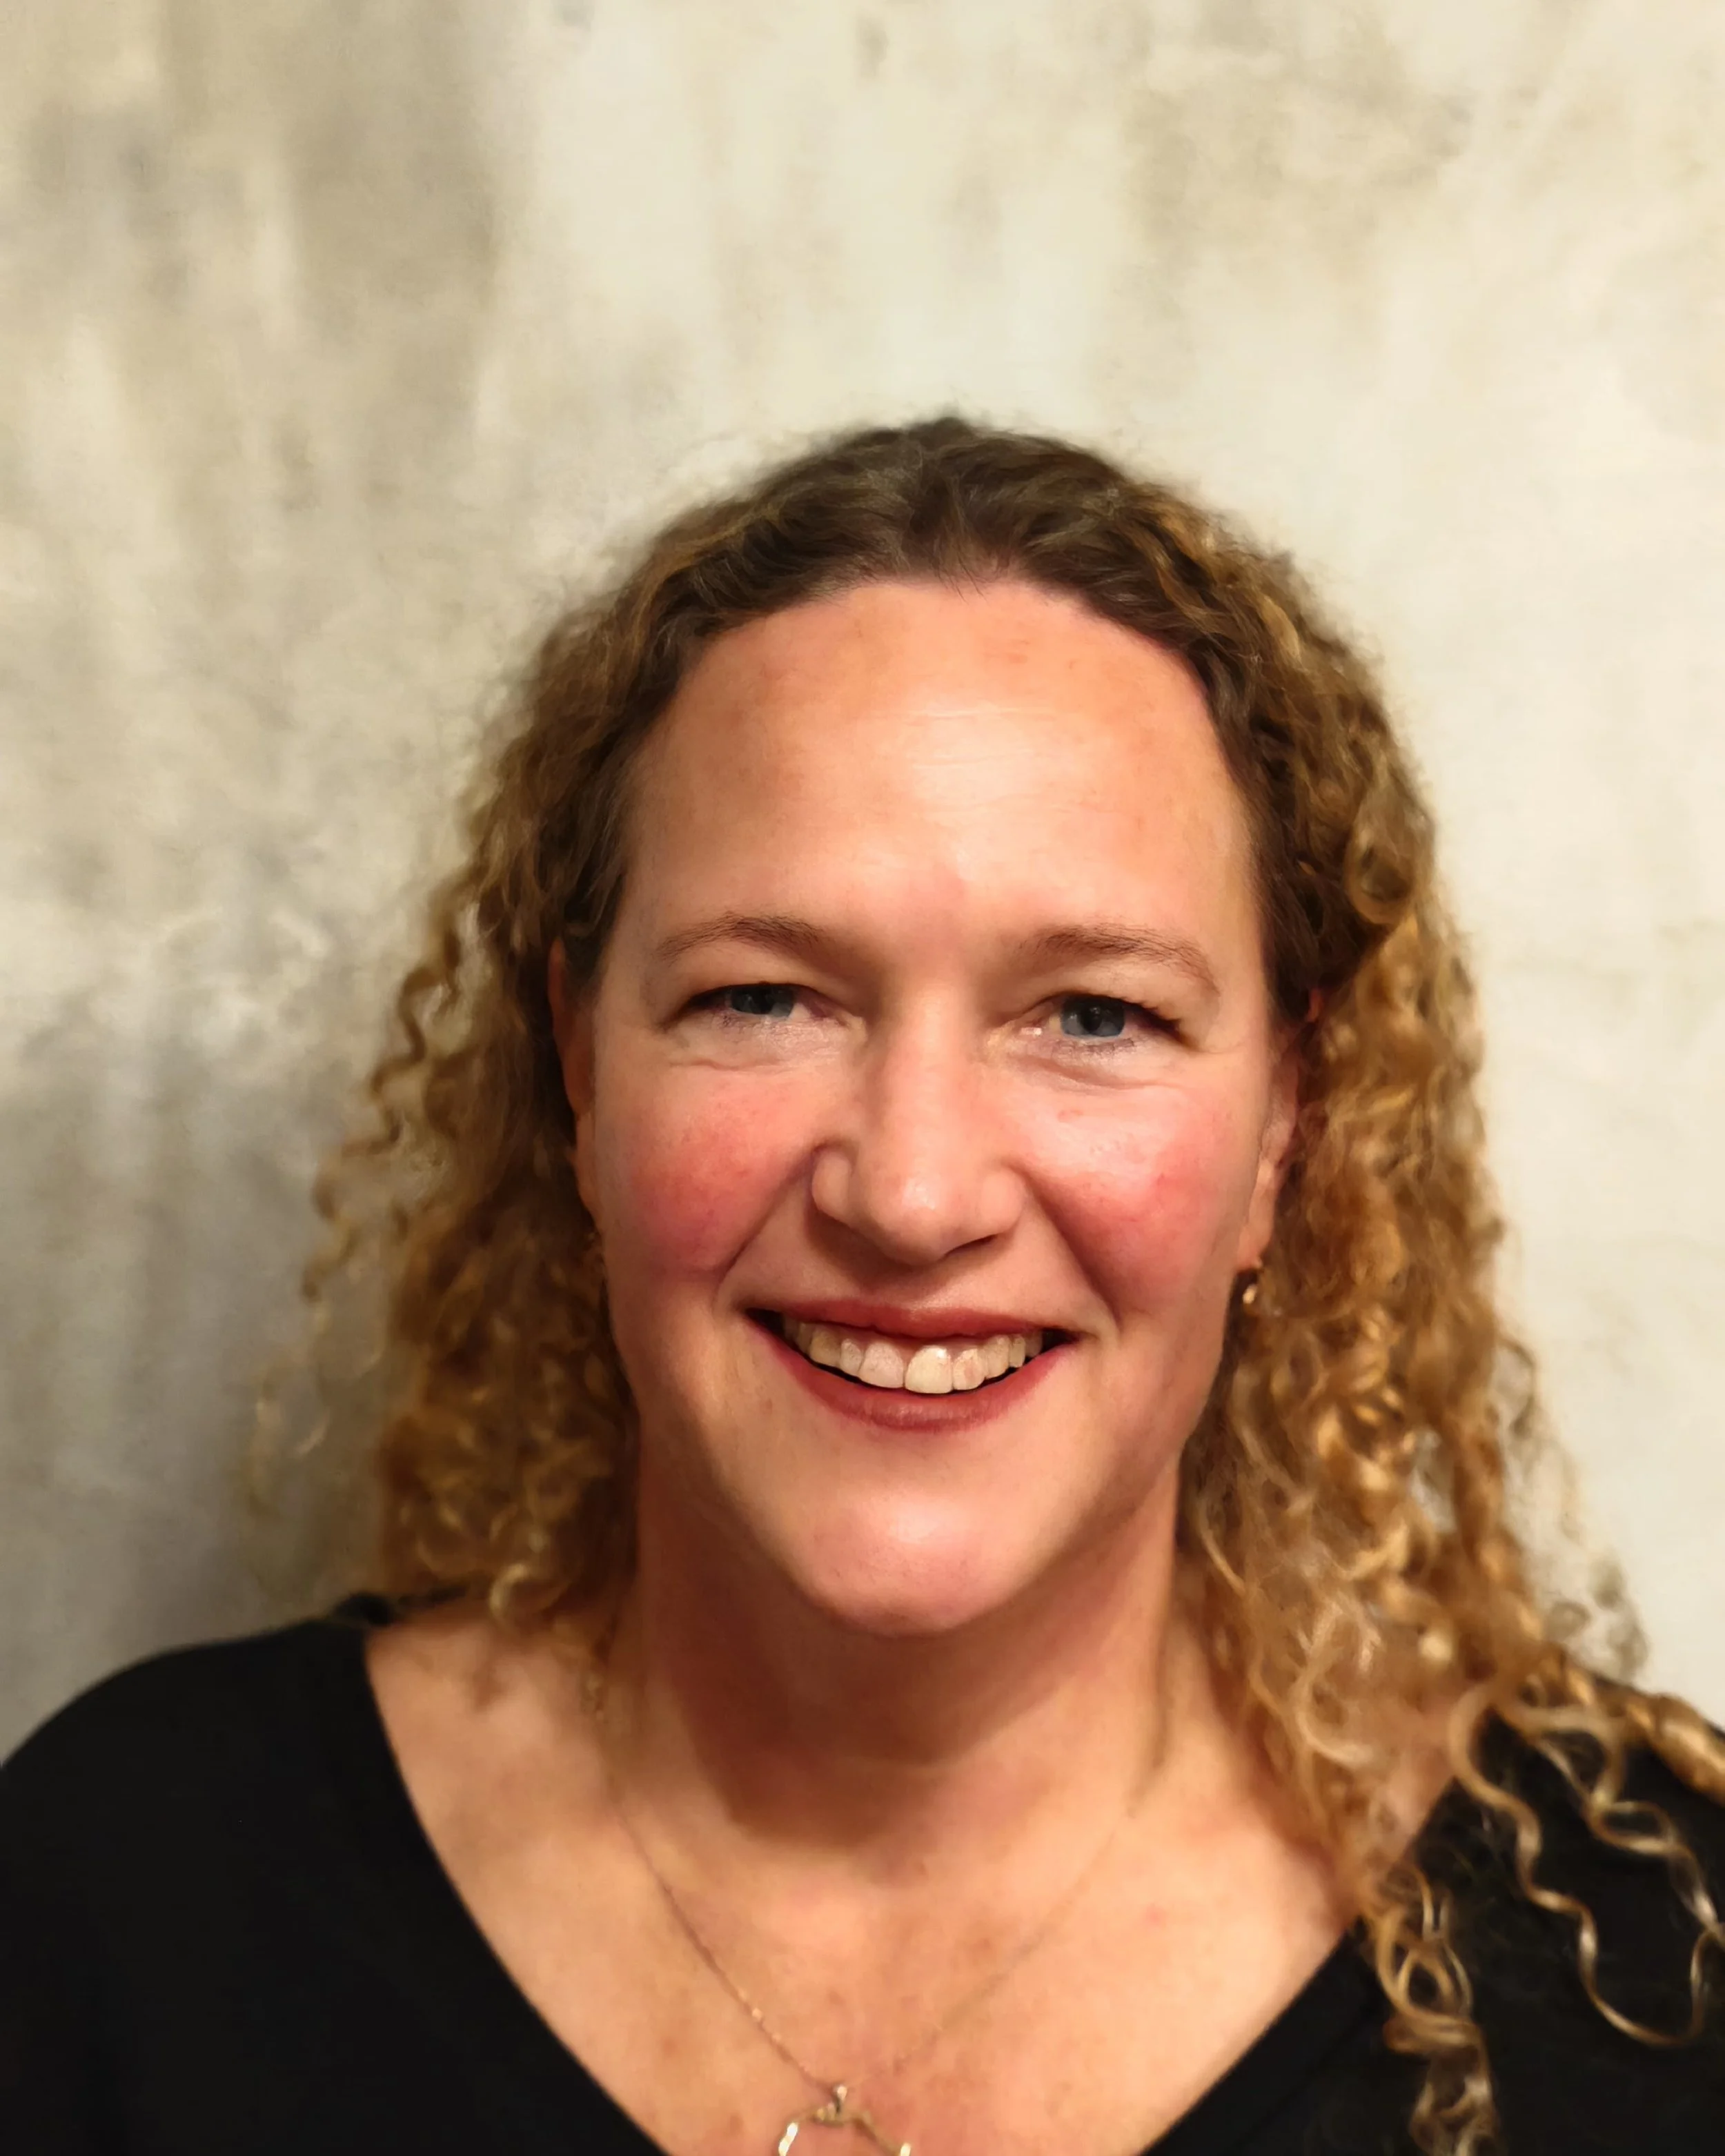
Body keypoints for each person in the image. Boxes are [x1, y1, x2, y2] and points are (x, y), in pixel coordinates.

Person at [2, 419, 1722, 2156]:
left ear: (1285, 1120)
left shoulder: (1656, 1981)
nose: (910, 1193)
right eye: (764, 998)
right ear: (579, 1072)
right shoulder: (126, 1898)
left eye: (1091, 1017)